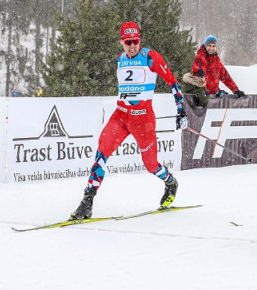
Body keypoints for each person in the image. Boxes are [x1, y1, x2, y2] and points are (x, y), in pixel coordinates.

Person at [70, 21, 188, 220]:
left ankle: (170, 182)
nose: (132, 45)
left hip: (143, 121)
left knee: (151, 165)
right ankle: (87, 200)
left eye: (135, 41)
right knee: (101, 152)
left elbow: (172, 82)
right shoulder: (120, 59)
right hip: (121, 117)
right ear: (122, 42)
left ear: (139, 40)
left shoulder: (150, 57)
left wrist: (181, 111)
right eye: (128, 42)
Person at [191, 35, 245, 101]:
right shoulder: (200, 58)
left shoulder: (216, 60)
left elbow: (225, 77)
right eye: (209, 46)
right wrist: (216, 91)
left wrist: (235, 90)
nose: (211, 48)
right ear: (205, 46)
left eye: (213, 46)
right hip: (201, 98)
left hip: (213, 98)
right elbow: (201, 78)